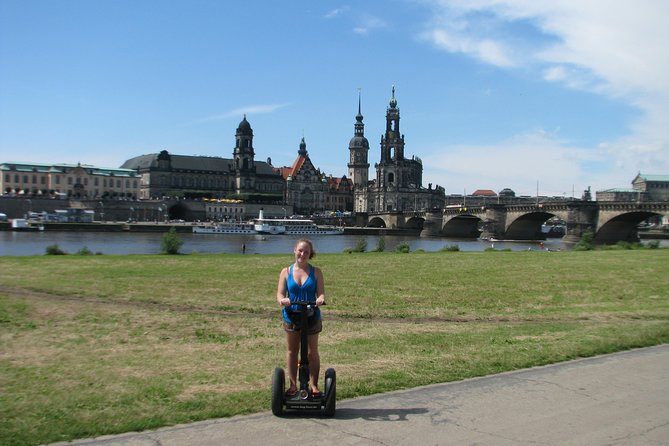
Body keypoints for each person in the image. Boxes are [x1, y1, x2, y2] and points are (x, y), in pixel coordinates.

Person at [276, 239, 326, 397]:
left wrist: (320, 299)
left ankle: (314, 385)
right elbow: (280, 293)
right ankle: (292, 386)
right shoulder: (286, 272)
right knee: (292, 351)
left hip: (311, 315)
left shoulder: (316, 272)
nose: (302, 254)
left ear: (310, 254)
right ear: (294, 250)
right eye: (300, 250)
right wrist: (282, 300)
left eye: (306, 252)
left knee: (312, 353)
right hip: (292, 315)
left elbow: (321, 293)